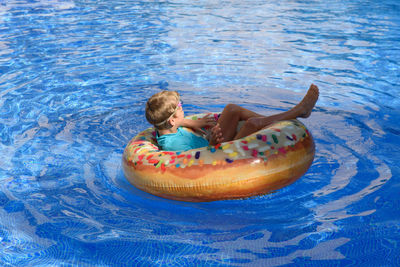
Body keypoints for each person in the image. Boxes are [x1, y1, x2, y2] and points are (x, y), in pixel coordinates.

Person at [145, 84, 319, 151]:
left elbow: (179, 122)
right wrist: (213, 144)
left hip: (213, 142)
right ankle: (298, 112)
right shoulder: (175, 145)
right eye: (180, 107)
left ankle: (276, 122)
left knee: (231, 109)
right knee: (252, 124)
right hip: (217, 154)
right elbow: (197, 163)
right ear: (171, 120)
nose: (183, 108)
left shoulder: (167, 127)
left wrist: (194, 122)